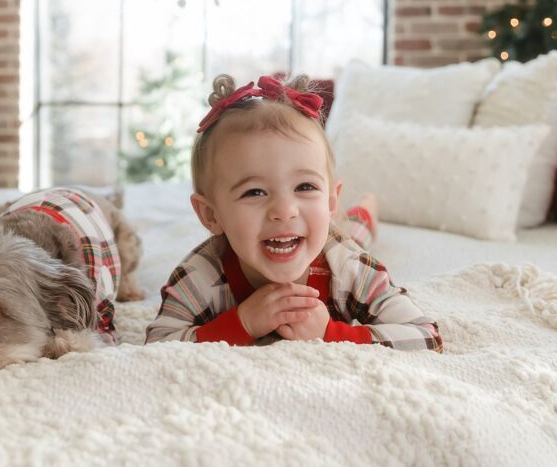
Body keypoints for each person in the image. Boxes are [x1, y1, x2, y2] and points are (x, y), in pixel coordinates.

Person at [144, 73, 443, 352]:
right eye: (255, 192)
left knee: (354, 234)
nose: (284, 211)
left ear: (329, 201)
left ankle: (366, 209)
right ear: (211, 215)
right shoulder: (202, 274)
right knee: (348, 231)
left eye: (305, 186)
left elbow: (427, 337)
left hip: (339, 241)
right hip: (317, 236)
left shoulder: (350, 267)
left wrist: (331, 333)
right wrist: (242, 323)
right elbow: (158, 345)